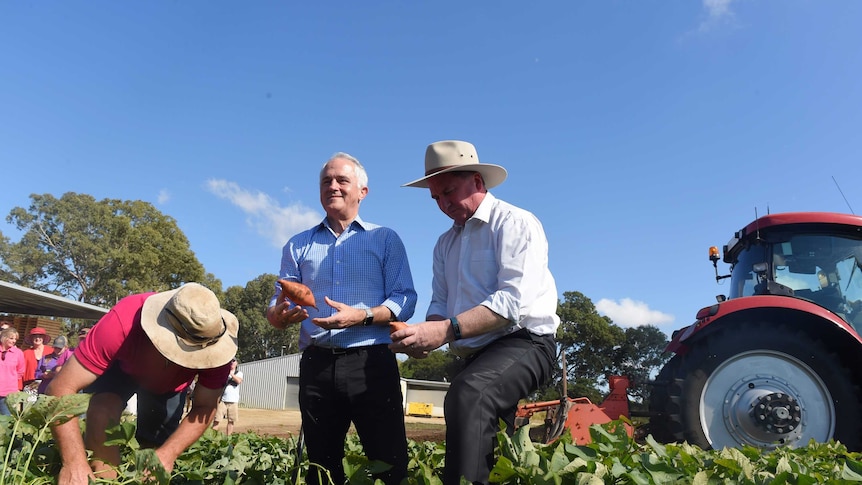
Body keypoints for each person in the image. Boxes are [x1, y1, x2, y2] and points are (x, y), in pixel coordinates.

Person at [394, 140, 560, 485]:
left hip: (526, 343)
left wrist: (444, 332)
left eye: (449, 191)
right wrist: (423, 337)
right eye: (436, 197)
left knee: (469, 395)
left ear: (478, 182)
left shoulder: (515, 223)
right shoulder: (445, 244)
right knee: (496, 436)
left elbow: (513, 304)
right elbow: (440, 305)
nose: (443, 203)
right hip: (477, 353)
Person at [266, 152, 417, 485]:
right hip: (317, 365)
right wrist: (278, 315)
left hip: (371, 364)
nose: (332, 186)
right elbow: (277, 303)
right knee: (321, 465)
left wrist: (361, 317)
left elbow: (404, 300)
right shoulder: (297, 245)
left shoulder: (385, 239)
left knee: (388, 461)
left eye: (342, 180)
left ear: (363, 191)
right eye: (326, 181)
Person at [46, 282, 239, 485]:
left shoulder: (218, 351)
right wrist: (73, 462)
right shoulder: (124, 321)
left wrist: (168, 453)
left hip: (171, 387)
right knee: (102, 413)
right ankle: (104, 478)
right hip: (121, 370)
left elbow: (204, 407)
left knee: (155, 453)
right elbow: (60, 388)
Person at [212, 358, 242, 435]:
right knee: (217, 420)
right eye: (230, 361)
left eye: (233, 361)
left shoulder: (239, 373)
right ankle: (212, 437)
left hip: (233, 401)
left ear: (237, 363)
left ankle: (228, 437)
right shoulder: (223, 373)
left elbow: (238, 381)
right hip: (222, 400)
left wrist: (231, 374)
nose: (232, 362)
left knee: (231, 421)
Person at [0, 328, 25, 415]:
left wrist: (10, 380)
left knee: (5, 420)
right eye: (11, 338)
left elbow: (20, 371)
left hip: (8, 393)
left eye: (15, 339)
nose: (14, 341)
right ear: (4, 337)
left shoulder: (18, 353)